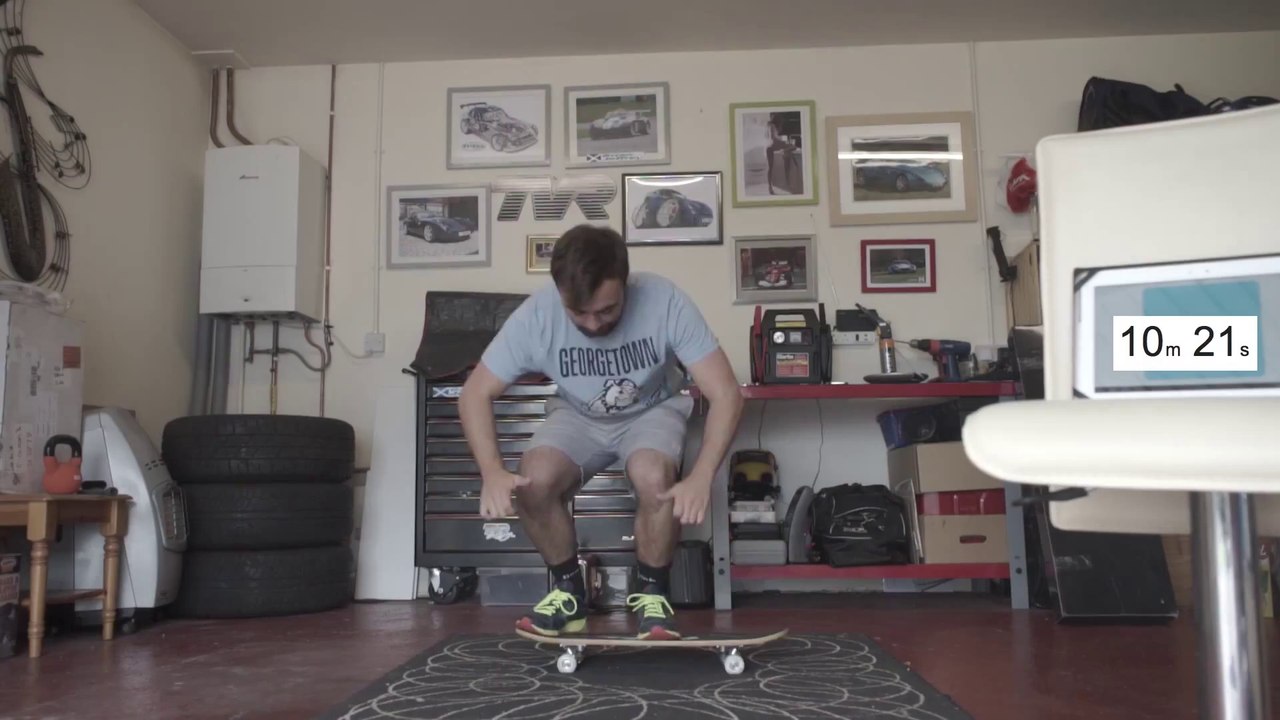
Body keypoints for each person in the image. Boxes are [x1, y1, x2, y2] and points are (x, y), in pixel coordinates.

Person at [459, 224, 743, 640]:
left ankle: (652, 595)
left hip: (653, 410)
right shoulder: (537, 316)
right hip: (577, 416)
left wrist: (700, 477)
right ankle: (569, 594)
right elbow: (474, 394)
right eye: (579, 314)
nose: (593, 325)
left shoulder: (664, 300)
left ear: (625, 283)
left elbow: (727, 395)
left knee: (653, 475)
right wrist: (492, 472)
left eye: (607, 311)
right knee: (531, 482)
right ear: (560, 294)